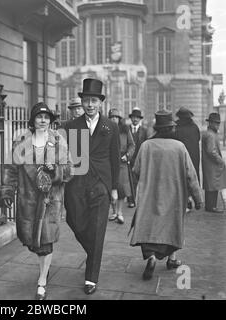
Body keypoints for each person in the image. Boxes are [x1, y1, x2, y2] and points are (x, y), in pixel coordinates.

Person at [0, 102, 72, 300]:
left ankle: (42, 282)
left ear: (50, 121)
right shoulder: (21, 141)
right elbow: (11, 169)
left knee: (46, 243)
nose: (43, 120)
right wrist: (7, 190)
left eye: (46, 117)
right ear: (32, 120)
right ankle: (44, 269)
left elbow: (68, 170)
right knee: (35, 244)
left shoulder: (58, 141)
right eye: (39, 117)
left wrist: (54, 170)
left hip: (50, 200)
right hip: (28, 199)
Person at [130, 110, 202, 281]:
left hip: (150, 195)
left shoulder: (146, 145)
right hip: (174, 195)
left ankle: (152, 258)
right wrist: (198, 199)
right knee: (173, 226)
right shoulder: (179, 147)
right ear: (171, 128)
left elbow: (136, 170)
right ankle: (172, 259)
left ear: (157, 128)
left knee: (150, 226)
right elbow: (191, 176)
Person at [64, 78, 120, 295]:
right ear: (82, 102)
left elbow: (115, 158)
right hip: (77, 183)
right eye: (86, 100)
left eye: (94, 100)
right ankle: (93, 251)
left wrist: (114, 188)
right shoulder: (71, 126)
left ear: (100, 103)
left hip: (101, 184)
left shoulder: (111, 126)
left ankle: (91, 277)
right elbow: (64, 156)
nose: (90, 104)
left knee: (97, 229)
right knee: (74, 220)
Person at [108, 108, 135, 225]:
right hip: (109, 163)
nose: (114, 119)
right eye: (112, 117)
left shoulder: (125, 130)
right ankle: (113, 211)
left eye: (116, 117)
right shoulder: (106, 130)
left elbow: (132, 145)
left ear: (119, 119)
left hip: (122, 163)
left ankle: (119, 213)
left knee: (121, 189)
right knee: (110, 188)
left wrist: (128, 155)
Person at [175, 107, 201, 211]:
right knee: (191, 177)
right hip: (193, 156)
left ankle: (186, 201)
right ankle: (192, 199)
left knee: (181, 177)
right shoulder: (194, 127)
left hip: (180, 156)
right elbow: (198, 139)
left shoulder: (176, 126)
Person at [202, 112, 226, 213]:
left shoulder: (209, 133)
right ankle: (211, 207)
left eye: (218, 123)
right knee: (212, 185)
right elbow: (211, 151)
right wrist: (221, 161)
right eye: (216, 123)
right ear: (210, 123)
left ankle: (210, 206)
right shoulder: (211, 135)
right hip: (212, 165)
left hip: (209, 164)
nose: (217, 125)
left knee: (211, 185)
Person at [128, 108, 148, 208]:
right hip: (129, 159)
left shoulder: (144, 130)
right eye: (133, 117)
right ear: (131, 118)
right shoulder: (126, 129)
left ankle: (142, 200)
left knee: (142, 180)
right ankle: (131, 200)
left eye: (137, 118)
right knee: (130, 180)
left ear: (140, 119)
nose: (135, 119)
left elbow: (147, 144)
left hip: (141, 158)